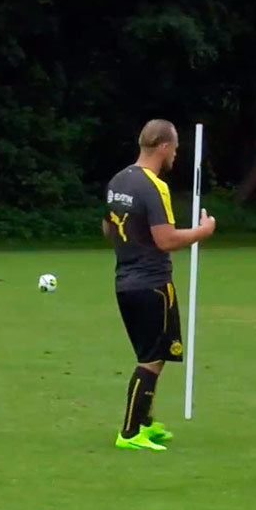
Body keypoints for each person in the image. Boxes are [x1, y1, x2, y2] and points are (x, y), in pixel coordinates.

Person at [103, 119, 216, 451]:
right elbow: (165, 239)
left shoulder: (117, 181)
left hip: (125, 281)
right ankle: (129, 432)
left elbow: (108, 229)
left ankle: (146, 423)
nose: (177, 154)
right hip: (152, 284)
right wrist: (202, 232)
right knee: (152, 359)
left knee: (150, 354)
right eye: (176, 147)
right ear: (164, 147)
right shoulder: (154, 187)